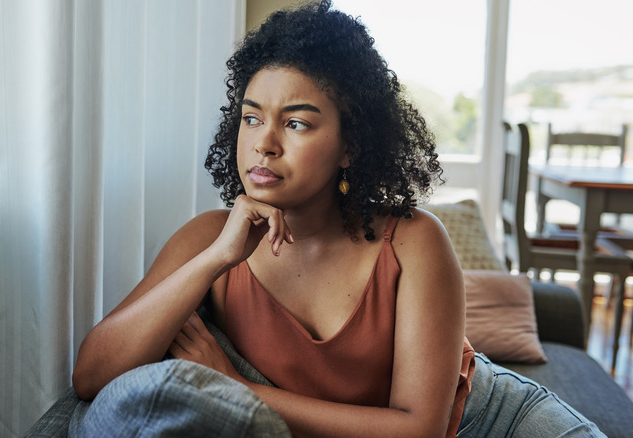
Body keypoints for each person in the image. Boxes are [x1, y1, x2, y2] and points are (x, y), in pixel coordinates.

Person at [72, 1, 605, 436]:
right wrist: (217, 258)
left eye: (297, 124)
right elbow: (91, 376)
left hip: (494, 421)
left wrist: (234, 385)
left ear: (351, 144)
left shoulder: (412, 240)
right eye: (252, 117)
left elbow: (418, 430)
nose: (265, 143)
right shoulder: (212, 239)